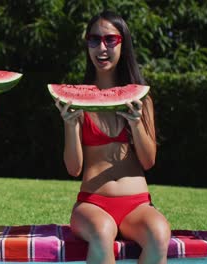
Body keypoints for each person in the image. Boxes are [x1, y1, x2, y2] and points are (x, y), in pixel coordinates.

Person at [55, 11, 171, 264]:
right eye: (94, 40)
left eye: (110, 39)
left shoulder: (142, 100)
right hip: (92, 205)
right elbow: (74, 169)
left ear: (123, 44)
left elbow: (149, 161)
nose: (101, 47)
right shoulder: (77, 100)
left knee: (160, 234)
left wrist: (136, 123)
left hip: (138, 204)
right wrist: (69, 124)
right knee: (102, 231)